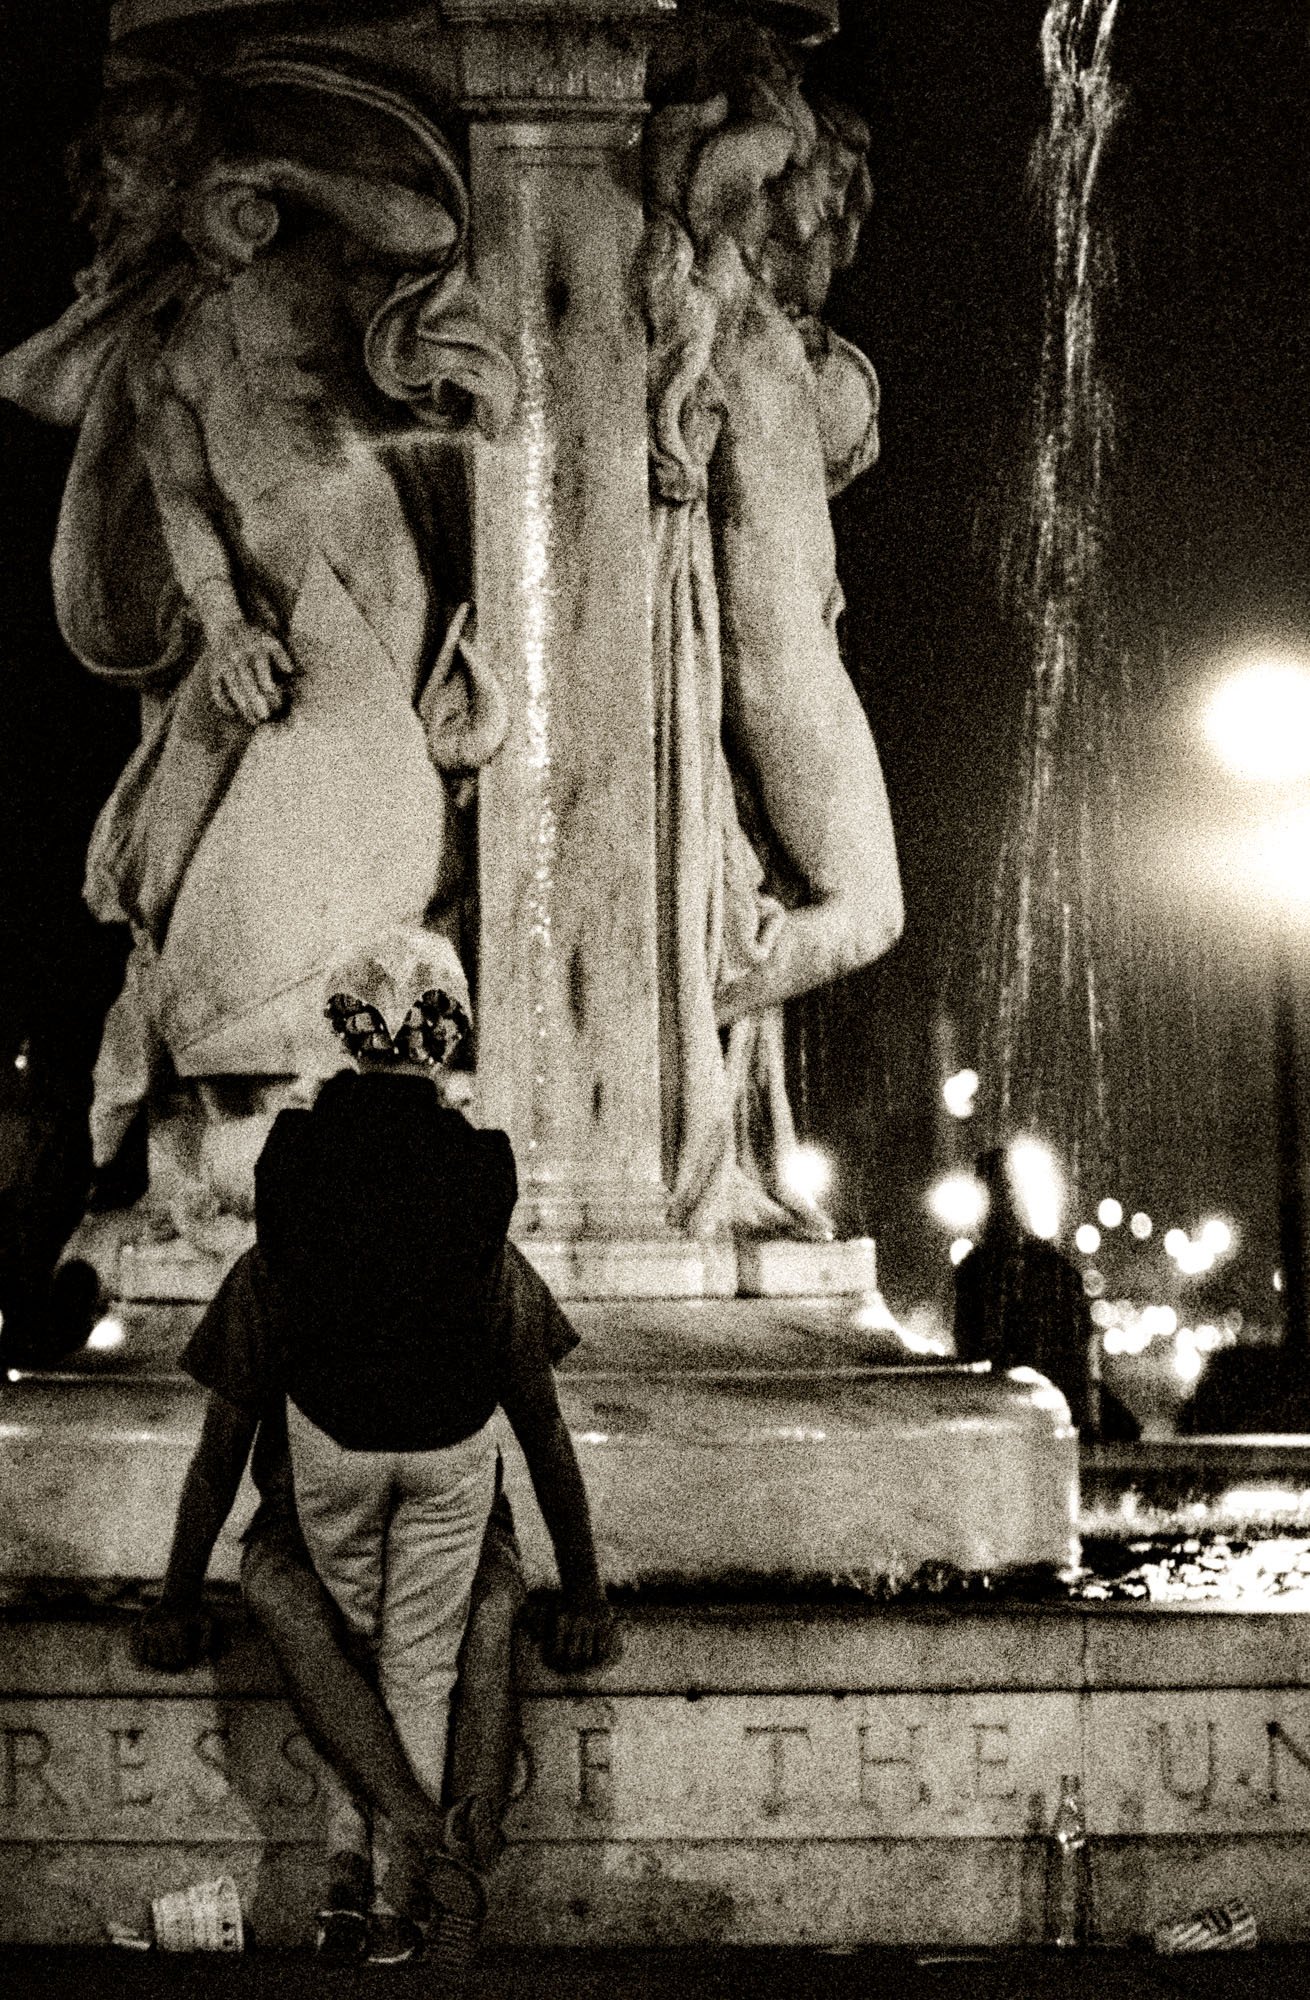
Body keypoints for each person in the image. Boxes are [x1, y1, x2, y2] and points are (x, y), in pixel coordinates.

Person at [138, 928, 618, 1969]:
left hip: (331, 1440)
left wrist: (174, 1591)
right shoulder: (483, 1221)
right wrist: (585, 1585)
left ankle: (363, 1877)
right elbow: (542, 1429)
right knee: (423, 1663)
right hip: (450, 1450)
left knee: (348, 1646)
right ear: (450, 1044)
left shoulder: (283, 1225)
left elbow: (218, 1449)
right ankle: (414, 1895)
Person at [953, 1145, 1098, 1431]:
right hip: (1049, 1416)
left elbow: (969, 1347)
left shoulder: (975, 1269)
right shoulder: (1053, 1266)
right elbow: (1078, 1359)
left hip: (1004, 1419)